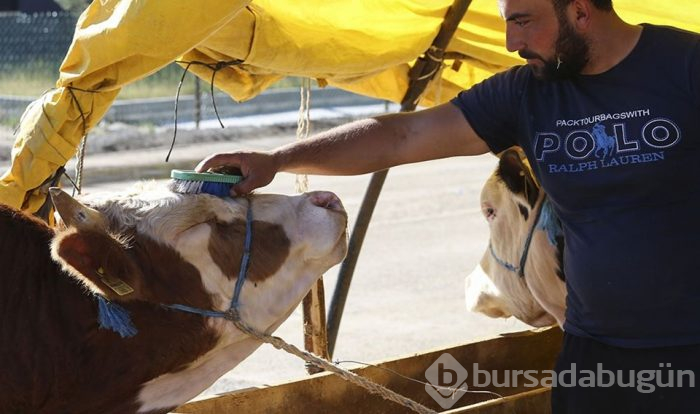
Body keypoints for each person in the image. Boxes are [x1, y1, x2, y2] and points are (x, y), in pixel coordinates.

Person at [197, 0, 700, 412]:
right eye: (507, 24)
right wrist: (279, 159)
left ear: (581, 11)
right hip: (596, 357)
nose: (511, 43)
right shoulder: (527, 93)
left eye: (523, 21)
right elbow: (402, 136)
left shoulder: (685, 65)